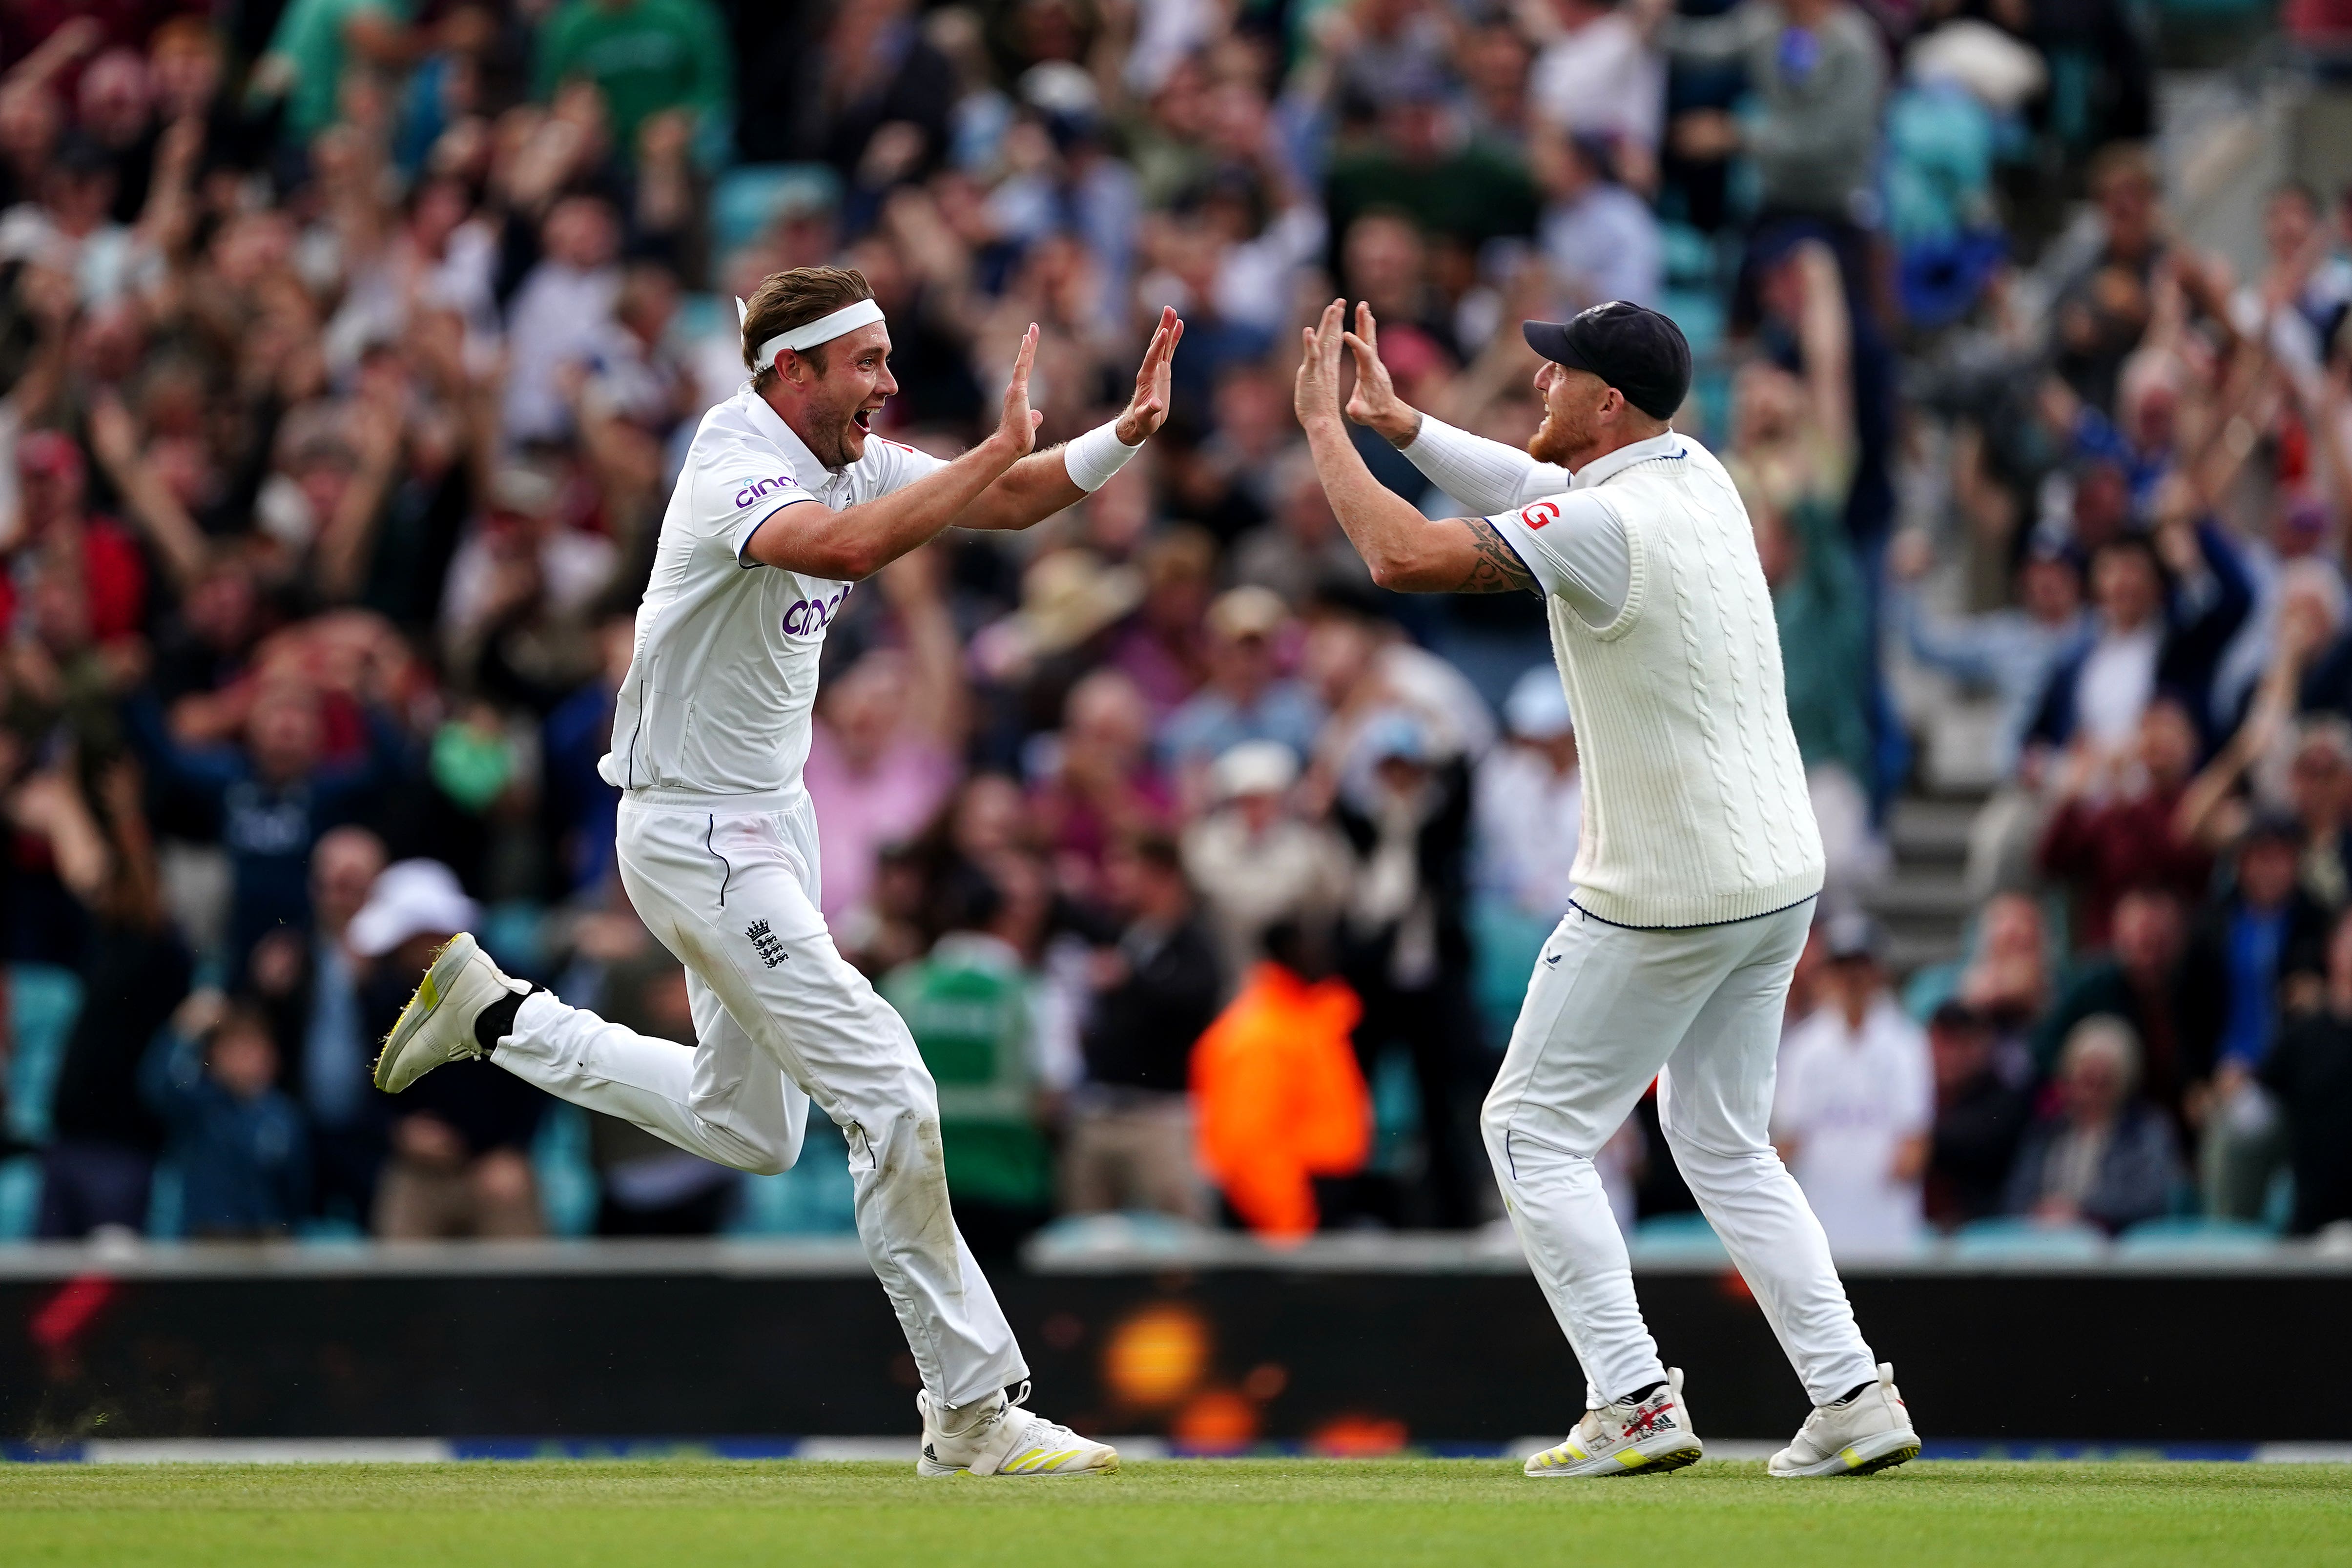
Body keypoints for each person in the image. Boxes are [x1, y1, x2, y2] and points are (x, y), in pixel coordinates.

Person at [371, 267, 1186, 1478]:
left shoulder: (846, 449)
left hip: (769, 822)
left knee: (749, 1124)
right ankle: (970, 1409)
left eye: (889, 361)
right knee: (896, 1097)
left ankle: (496, 1014)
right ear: (789, 370)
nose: (890, 384)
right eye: (867, 363)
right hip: (696, 832)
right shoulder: (730, 459)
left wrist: (1116, 437)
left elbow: (1008, 499)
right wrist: (988, 454)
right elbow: (854, 543)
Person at [1306, 296, 1916, 1478]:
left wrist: (1326, 435)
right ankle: (1853, 1391)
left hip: (1669, 884)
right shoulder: (1694, 471)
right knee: (1722, 1139)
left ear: (1608, 404)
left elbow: (1400, 555)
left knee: (1526, 1128)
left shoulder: (1610, 521)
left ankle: (1632, 1396)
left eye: (1559, 374)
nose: (1539, 387)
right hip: (1777, 871)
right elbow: (1533, 485)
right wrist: (1400, 421)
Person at [1771, 916, 1934, 1256]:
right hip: (1820, 1219)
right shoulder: (1803, 1049)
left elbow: (1914, 1141)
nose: (1852, 978)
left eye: (1861, 966)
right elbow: (1788, 1140)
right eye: (1843, 967)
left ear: (1878, 972)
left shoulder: (1907, 1044)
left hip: (1886, 1225)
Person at [2004, 1016, 2182, 1233]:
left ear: (2123, 1082)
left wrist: (2080, 1213)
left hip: (2115, 1249)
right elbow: (2017, 1197)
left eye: (2104, 1082)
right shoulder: (2046, 1130)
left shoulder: (2147, 1130)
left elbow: (2149, 1199)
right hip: (2042, 1244)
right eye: (2087, 1080)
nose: (2092, 1094)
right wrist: (2041, 1212)